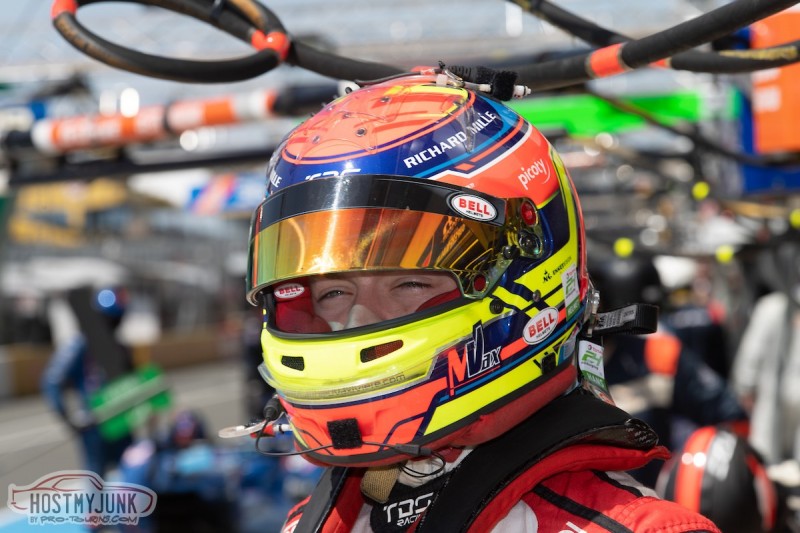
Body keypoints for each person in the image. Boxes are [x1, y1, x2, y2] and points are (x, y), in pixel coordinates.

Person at [243, 70, 721, 532]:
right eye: (332, 292)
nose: (356, 319)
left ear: (528, 273)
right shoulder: (310, 519)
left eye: (410, 284)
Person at [589, 252, 748, 487]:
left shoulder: (657, 354)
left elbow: (728, 413)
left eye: (589, 300)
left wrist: (698, 478)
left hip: (656, 497)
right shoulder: (550, 370)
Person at [41, 286, 134, 476]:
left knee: (132, 472)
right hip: (94, 423)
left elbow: (133, 381)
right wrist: (69, 417)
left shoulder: (121, 348)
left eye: (116, 320)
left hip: (121, 420)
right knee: (96, 477)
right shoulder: (79, 346)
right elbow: (52, 381)